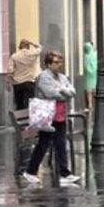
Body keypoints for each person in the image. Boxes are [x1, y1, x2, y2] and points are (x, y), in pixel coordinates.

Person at [22, 51, 81, 186]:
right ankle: (32, 171)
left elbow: (73, 91)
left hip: (60, 115)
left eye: (60, 62)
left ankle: (63, 173)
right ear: (48, 64)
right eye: (56, 62)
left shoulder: (61, 77)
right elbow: (51, 94)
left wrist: (62, 90)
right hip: (48, 116)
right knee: (44, 144)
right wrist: (64, 92)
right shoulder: (44, 77)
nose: (59, 65)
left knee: (59, 144)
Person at [9, 39, 41, 110]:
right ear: (28, 46)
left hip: (18, 83)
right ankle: (29, 116)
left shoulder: (14, 56)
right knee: (30, 104)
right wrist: (32, 43)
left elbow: (10, 70)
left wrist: (10, 81)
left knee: (19, 104)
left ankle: (20, 116)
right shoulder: (32, 54)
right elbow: (40, 47)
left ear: (19, 46)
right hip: (30, 82)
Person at [83, 42, 98, 111]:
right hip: (94, 74)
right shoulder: (95, 54)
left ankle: (90, 104)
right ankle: (94, 104)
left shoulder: (86, 56)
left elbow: (85, 66)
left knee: (88, 90)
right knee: (94, 90)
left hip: (88, 75)